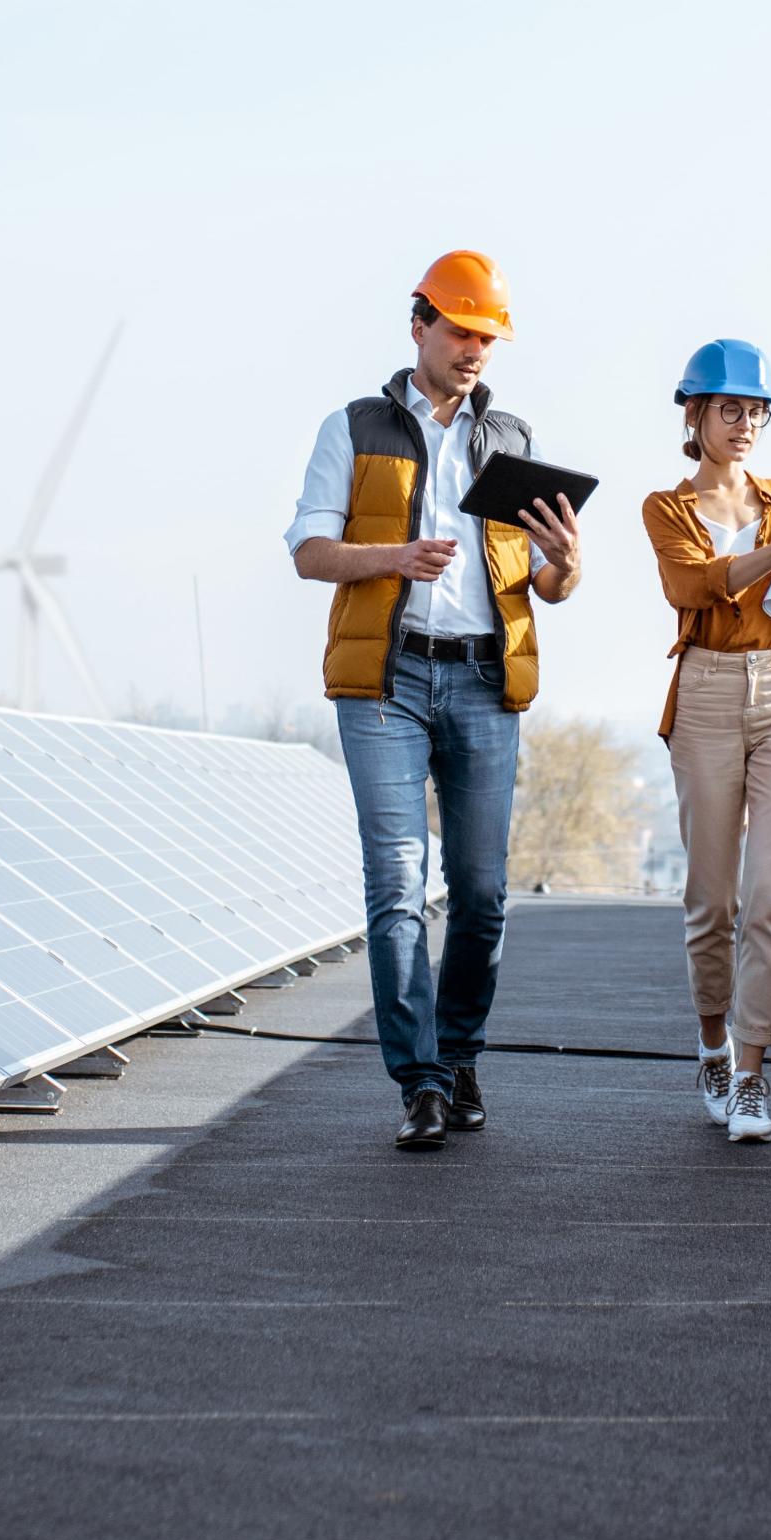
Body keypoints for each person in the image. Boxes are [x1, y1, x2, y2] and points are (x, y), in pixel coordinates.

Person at [288, 251, 585, 1151]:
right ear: (417, 323)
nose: (474, 350)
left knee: (485, 893)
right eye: (461, 331)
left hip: (486, 679)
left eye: (488, 337)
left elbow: (544, 580)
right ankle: (416, 1080)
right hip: (387, 678)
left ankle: (458, 1057)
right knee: (398, 885)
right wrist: (393, 558)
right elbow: (307, 550)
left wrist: (567, 565)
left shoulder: (515, 440)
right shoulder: (354, 427)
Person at [640, 340, 771, 1145]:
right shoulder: (666, 506)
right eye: (731, 409)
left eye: (757, 411)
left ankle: (753, 1076)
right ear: (695, 414)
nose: (746, 424)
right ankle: (713, 1044)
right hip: (708, 691)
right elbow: (690, 585)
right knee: (713, 900)